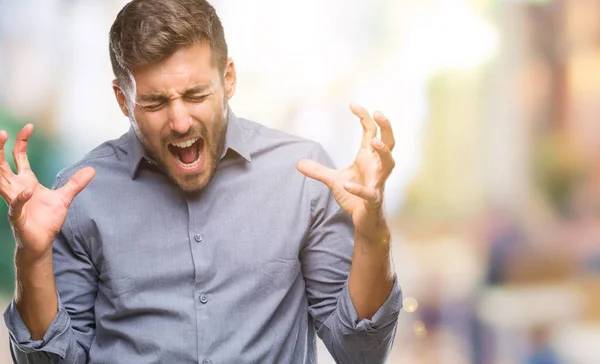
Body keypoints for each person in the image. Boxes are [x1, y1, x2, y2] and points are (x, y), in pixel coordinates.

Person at [2, 0, 402, 363]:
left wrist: (373, 235)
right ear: (123, 100)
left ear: (228, 78)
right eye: (155, 102)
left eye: (196, 95)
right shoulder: (80, 194)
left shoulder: (304, 177)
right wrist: (32, 259)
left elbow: (360, 352)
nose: (179, 121)